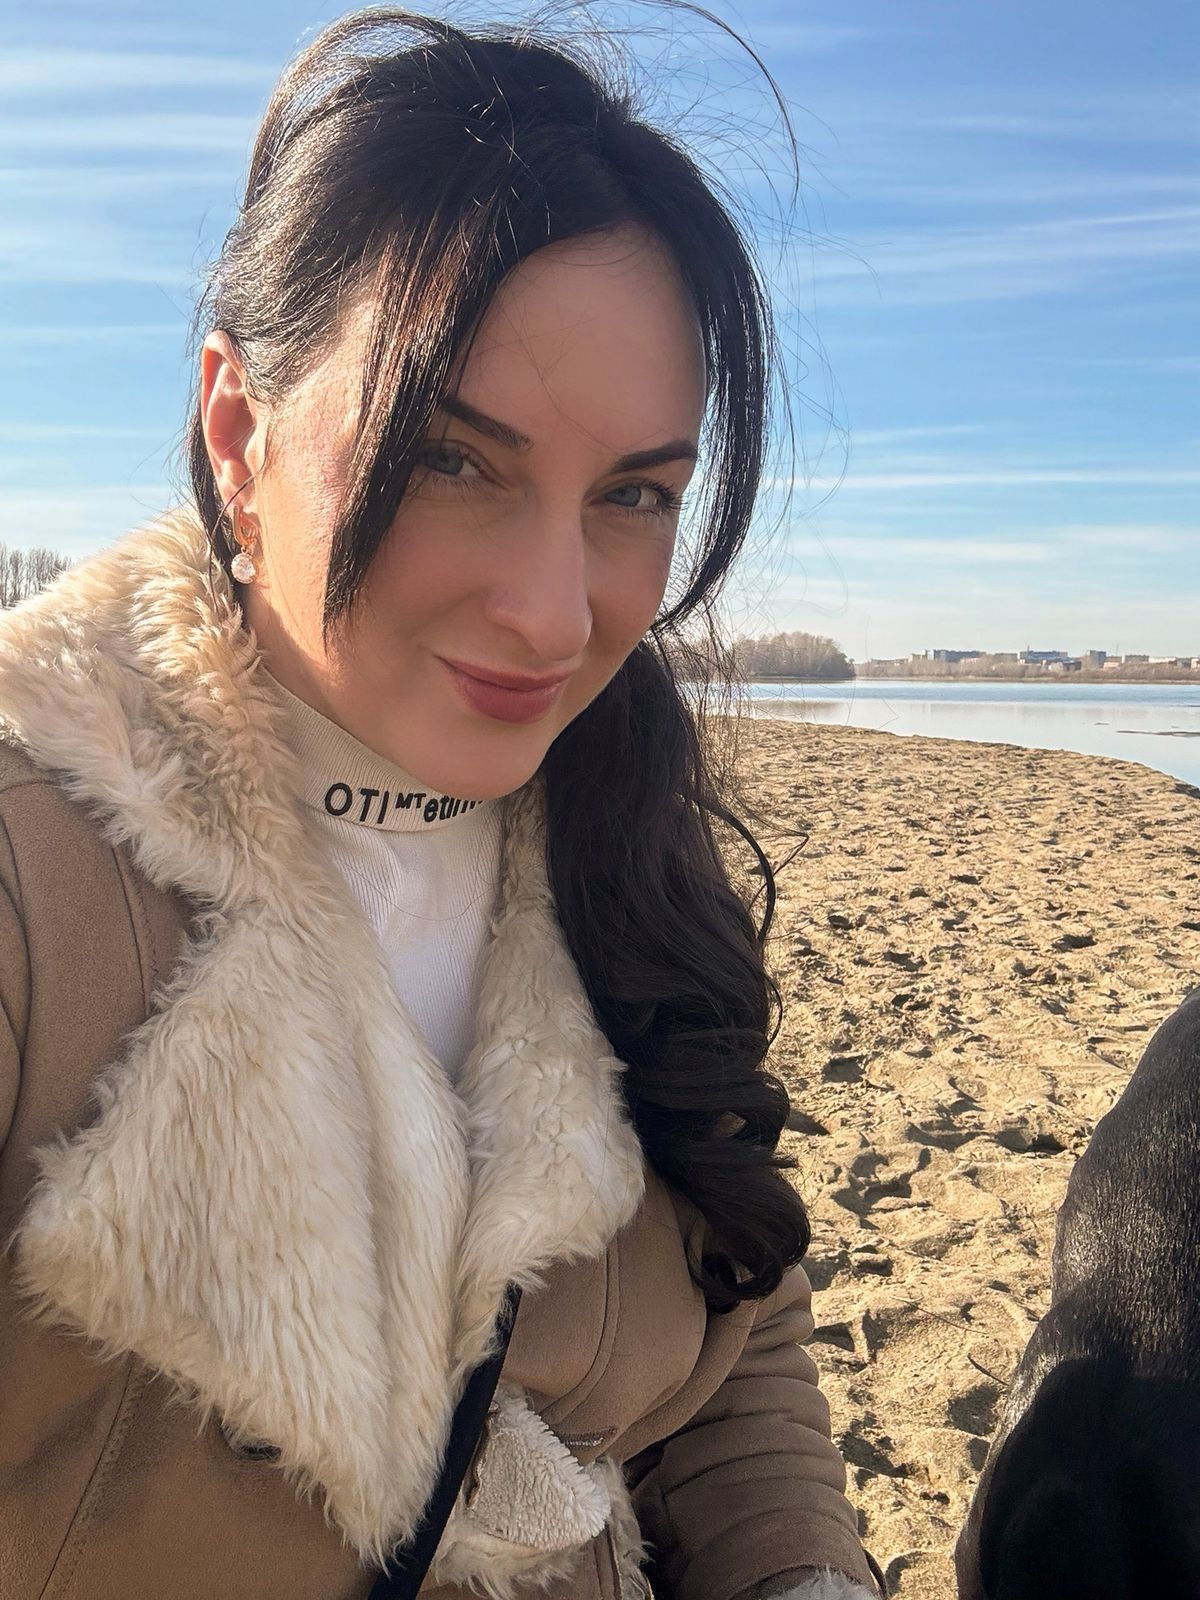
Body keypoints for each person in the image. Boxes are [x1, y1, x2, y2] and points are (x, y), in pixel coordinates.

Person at [0, 9, 887, 1599]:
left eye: (634, 495)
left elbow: (738, 1320)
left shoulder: (631, 846)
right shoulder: (32, 867)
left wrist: (802, 1572)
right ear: (238, 432)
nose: (555, 616)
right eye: (452, 462)